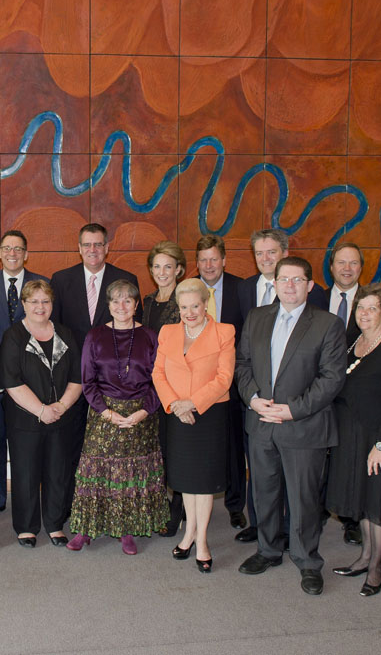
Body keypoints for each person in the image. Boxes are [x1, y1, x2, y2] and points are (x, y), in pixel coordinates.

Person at [234, 256, 346, 596]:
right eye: (284, 279)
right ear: (275, 282)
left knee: (303, 499)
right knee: (264, 493)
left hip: (303, 426)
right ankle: (268, 550)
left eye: (298, 280)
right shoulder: (256, 317)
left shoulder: (327, 324)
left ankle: (307, 559)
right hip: (261, 423)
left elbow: (332, 379)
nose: (290, 286)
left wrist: (291, 411)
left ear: (310, 286)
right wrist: (252, 399)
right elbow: (243, 365)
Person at [66, 280, 168, 555]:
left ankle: (127, 530)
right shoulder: (95, 336)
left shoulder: (150, 336)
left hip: (142, 413)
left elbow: (159, 380)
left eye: (127, 301)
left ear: (136, 305)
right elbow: (88, 382)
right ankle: (86, 528)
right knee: (96, 471)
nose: (121, 306)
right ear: (107, 305)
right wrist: (107, 413)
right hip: (104, 413)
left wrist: (143, 412)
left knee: (131, 473)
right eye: (115, 301)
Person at [50, 223, 141, 519]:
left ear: (107, 247)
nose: (93, 250)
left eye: (98, 244)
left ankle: (112, 509)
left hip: (117, 385)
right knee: (71, 447)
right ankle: (71, 508)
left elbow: (133, 331)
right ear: (79, 248)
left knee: (116, 452)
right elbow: (57, 331)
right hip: (74, 380)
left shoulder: (125, 279)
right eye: (87, 245)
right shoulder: (61, 280)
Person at [326, 285, 381, 596]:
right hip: (352, 436)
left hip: (379, 440)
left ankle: (377, 566)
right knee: (361, 499)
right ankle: (363, 557)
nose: (364, 313)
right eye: (361, 307)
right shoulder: (354, 342)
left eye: (372, 308)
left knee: (379, 501)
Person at [152, 279, 236, 573]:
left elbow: (224, 378)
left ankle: (201, 541)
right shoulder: (168, 332)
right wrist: (175, 404)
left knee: (204, 483)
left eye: (195, 306)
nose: (190, 312)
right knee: (186, 481)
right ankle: (187, 534)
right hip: (176, 415)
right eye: (184, 307)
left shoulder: (224, 332)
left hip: (208, 415)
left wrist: (192, 404)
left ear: (205, 304)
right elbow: (158, 373)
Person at [0, 280, 82, 548]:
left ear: (52, 304)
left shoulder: (66, 335)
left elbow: (77, 377)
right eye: (33, 301)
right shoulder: (13, 336)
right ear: (23, 304)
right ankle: (26, 527)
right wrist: (42, 410)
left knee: (58, 470)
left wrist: (61, 407)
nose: (40, 306)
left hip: (61, 417)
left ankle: (55, 523)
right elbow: (12, 382)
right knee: (26, 472)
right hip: (25, 419)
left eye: (45, 301)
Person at [0, 229, 49, 522]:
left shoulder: (42, 285)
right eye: (7, 248)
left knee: (27, 446)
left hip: (32, 382)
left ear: (26, 254)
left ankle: (29, 496)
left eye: (18, 249)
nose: (12, 253)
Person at [195, 234, 249, 536]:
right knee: (197, 446)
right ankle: (190, 503)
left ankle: (235, 505)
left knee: (233, 446)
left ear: (224, 260)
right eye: (203, 260)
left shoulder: (242, 288)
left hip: (231, 384)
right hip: (196, 385)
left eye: (214, 259)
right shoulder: (187, 289)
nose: (209, 265)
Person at [322, 241, 367, 546]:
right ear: (332, 266)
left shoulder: (373, 299)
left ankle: (352, 517)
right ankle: (320, 507)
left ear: (361, 267)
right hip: (319, 391)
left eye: (353, 263)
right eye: (341, 263)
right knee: (319, 454)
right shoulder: (314, 297)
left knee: (352, 455)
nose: (347, 268)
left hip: (356, 393)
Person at [141, 240, 185, 536]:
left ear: (179, 269)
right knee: (156, 450)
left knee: (177, 450)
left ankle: (177, 509)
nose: (162, 272)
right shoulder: (146, 301)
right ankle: (159, 504)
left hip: (177, 386)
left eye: (168, 266)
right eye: (157, 267)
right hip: (149, 386)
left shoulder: (186, 301)